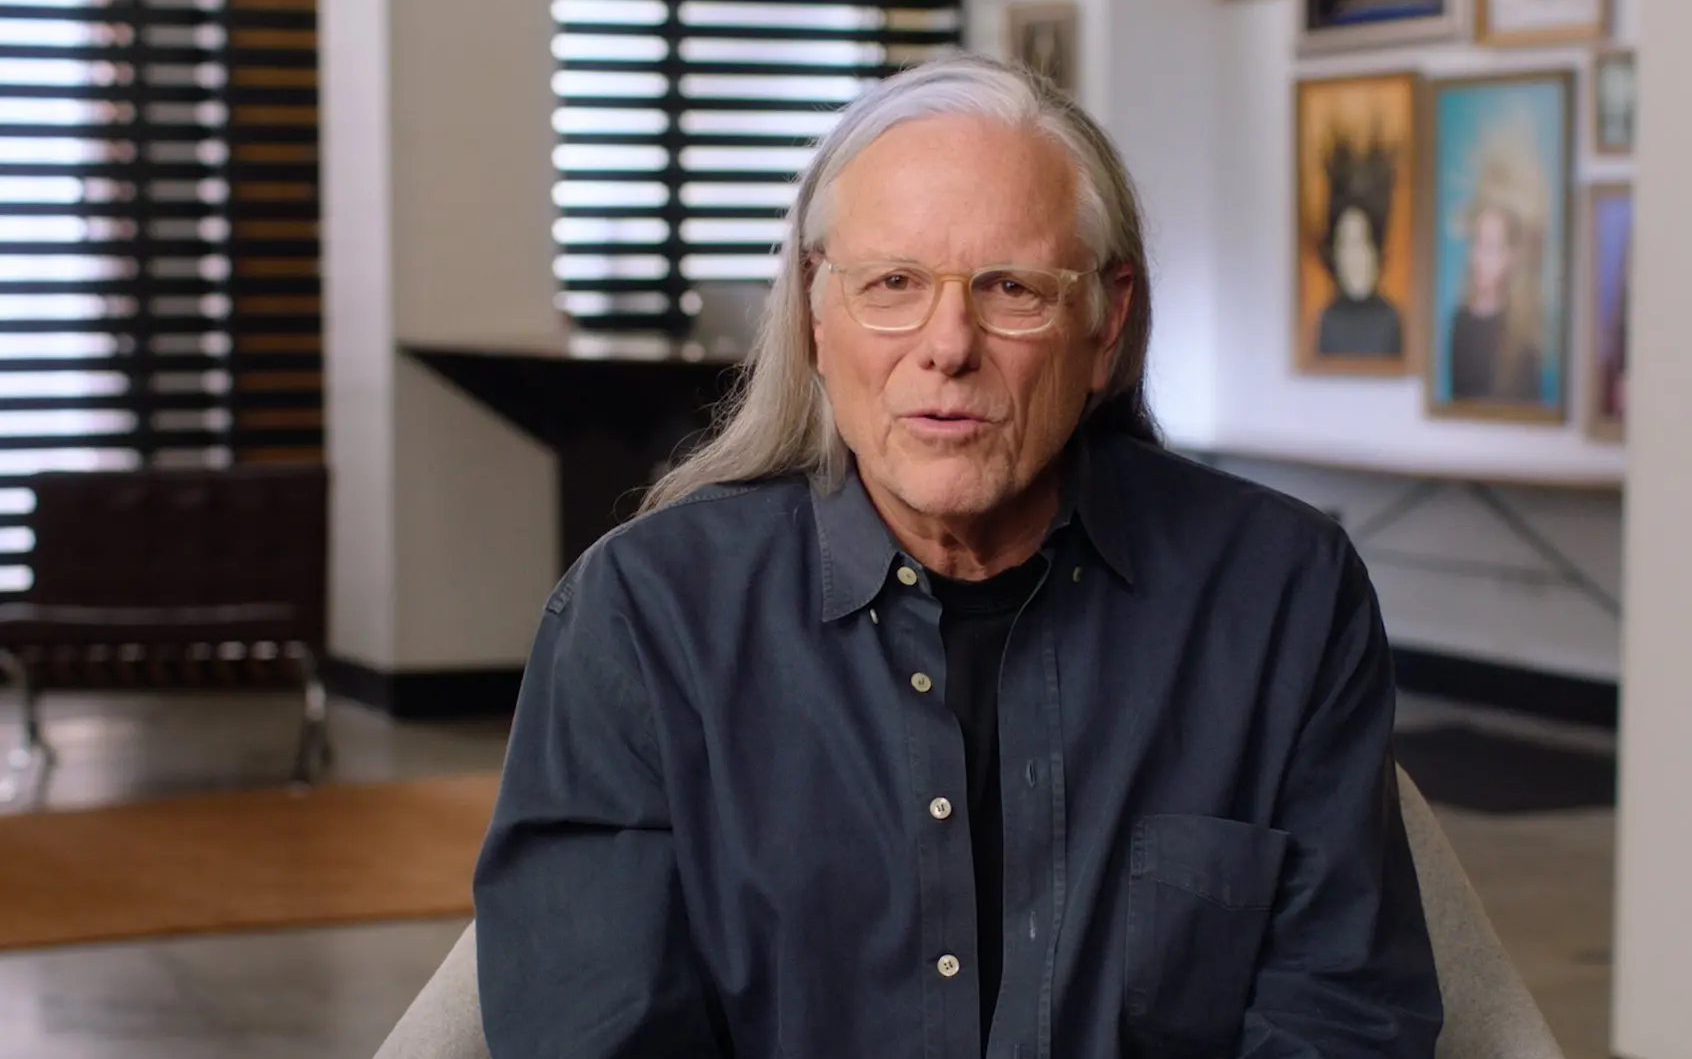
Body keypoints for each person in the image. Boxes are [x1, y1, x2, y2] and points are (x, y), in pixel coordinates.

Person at [473, 52, 1442, 1059]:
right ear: (814, 312)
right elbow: (595, 1036)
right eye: (892, 283)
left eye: (1011, 288)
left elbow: (1343, 1019)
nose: (948, 346)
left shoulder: (1284, 596)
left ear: (1106, 321)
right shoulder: (643, 619)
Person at [1446, 132, 1548, 405]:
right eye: (1476, 243)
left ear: (1510, 256)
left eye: (1491, 248)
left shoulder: (1525, 334)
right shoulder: (1461, 323)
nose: (1479, 258)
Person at [1314, 121, 1404, 359]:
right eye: (1343, 245)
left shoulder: (1390, 320)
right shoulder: (1328, 319)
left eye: (1359, 243)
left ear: (1375, 248)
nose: (1351, 256)